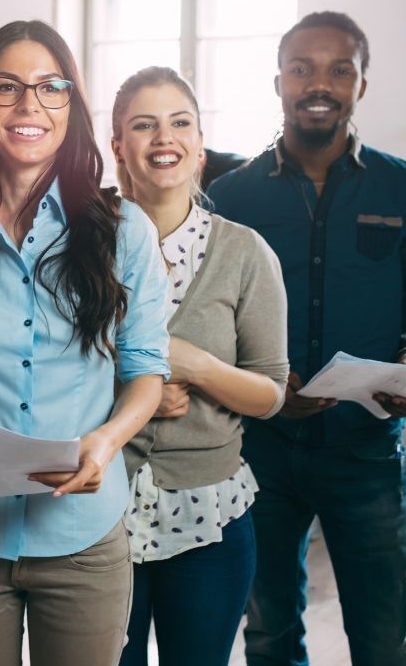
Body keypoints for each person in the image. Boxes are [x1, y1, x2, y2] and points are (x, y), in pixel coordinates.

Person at [0, 20, 169, 666]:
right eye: (8, 88)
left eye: (51, 87)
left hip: (83, 542)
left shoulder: (122, 231)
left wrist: (105, 443)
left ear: (71, 107)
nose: (30, 106)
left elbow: (145, 370)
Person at [207, 11, 406, 666]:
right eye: (302, 68)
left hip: (366, 451)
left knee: (385, 642)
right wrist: (256, 380)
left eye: (340, 69)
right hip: (259, 452)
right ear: (279, 81)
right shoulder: (229, 198)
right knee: (269, 634)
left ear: (361, 84)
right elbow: (203, 319)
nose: (320, 84)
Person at [109, 66, 288, 666]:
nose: (165, 138)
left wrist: (199, 366)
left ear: (200, 143)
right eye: (144, 124)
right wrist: (136, 390)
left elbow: (271, 394)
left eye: (179, 122)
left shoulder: (245, 253)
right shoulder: (75, 247)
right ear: (118, 147)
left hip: (210, 516)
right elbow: (40, 367)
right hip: (96, 509)